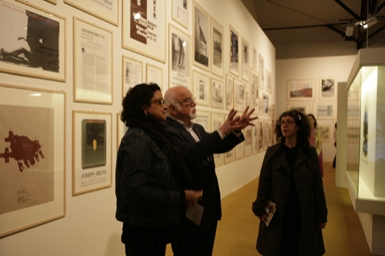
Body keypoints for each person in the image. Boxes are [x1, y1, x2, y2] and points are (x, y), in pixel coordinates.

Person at [164, 85, 257, 256]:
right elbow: (190, 155)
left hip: (208, 206)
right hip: (189, 210)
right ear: (172, 108)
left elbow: (216, 145)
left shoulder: (196, 128)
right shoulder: (167, 131)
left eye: (193, 98)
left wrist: (235, 131)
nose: (193, 103)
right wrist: (221, 130)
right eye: (187, 101)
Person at [115, 83, 203, 256]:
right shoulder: (138, 139)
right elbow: (133, 191)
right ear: (143, 108)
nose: (164, 107)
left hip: (152, 229)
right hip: (143, 233)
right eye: (158, 102)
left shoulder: (152, 136)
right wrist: (181, 197)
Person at [252, 110, 327, 256]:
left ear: (299, 126)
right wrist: (260, 208)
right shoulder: (273, 152)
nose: (284, 125)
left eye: (289, 122)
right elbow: (264, 182)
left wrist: (321, 214)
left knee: (301, 246)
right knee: (279, 246)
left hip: (303, 211)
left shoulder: (309, 153)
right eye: (282, 122)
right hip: (279, 212)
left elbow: (317, 186)